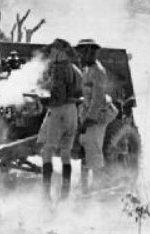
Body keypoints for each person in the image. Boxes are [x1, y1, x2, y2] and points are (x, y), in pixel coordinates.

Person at [39, 38, 82, 201]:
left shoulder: (59, 68)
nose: (50, 54)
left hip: (58, 111)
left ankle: (46, 195)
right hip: (72, 111)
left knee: (47, 150)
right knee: (65, 153)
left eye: (52, 51)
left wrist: (43, 100)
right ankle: (65, 194)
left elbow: (58, 95)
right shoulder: (74, 68)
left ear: (58, 52)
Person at [75, 39, 118, 190]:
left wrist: (87, 121)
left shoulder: (98, 72)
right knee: (85, 148)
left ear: (89, 52)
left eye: (82, 52)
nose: (79, 56)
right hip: (88, 112)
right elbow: (88, 95)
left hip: (97, 116)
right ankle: (85, 187)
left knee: (93, 150)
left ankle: (99, 188)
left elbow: (98, 100)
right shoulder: (88, 69)